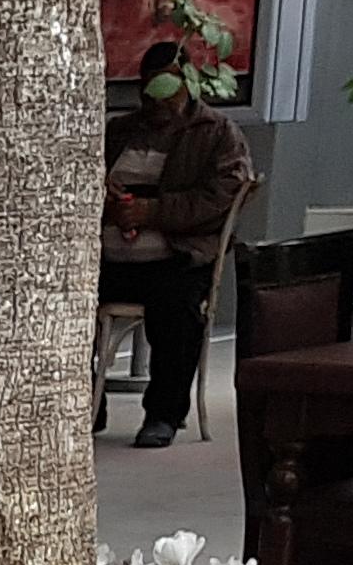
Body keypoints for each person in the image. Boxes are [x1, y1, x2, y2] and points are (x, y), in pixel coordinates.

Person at [97, 42, 255, 449]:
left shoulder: (217, 134)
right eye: (151, 88)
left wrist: (153, 212)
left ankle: (164, 413)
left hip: (177, 255)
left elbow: (222, 196)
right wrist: (106, 198)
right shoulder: (119, 131)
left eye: (170, 88)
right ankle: (83, 409)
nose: (159, 99)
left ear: (188, 84)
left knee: (177, 310)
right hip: (108, 257)